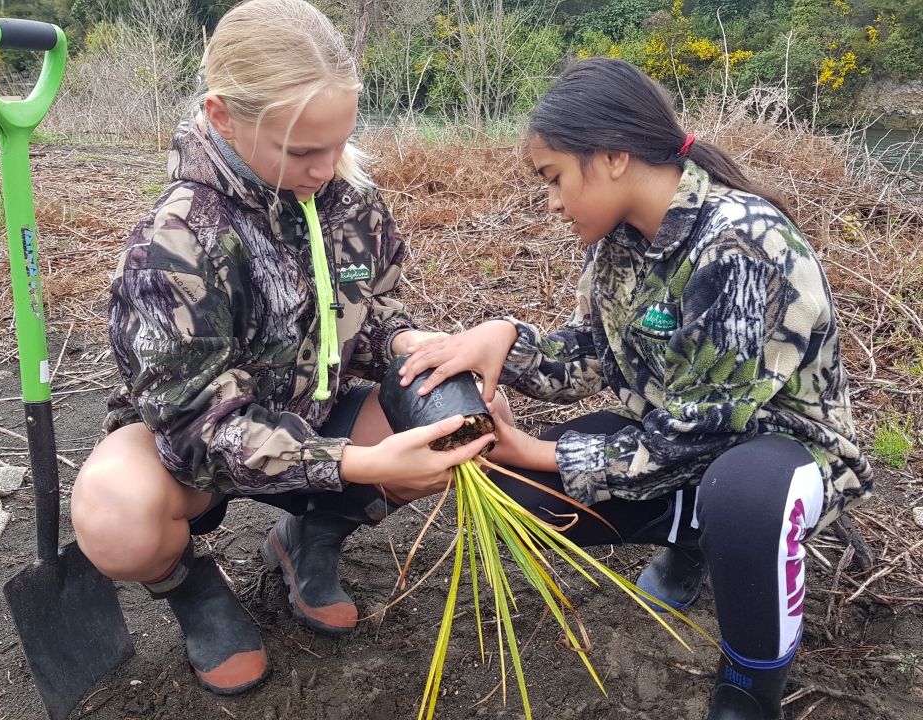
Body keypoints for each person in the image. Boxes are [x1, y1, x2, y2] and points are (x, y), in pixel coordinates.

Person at [398, 57, 873, 720]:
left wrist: (532, 447)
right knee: (520, 493)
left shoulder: (740, 242)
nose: (553, 202)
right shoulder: (619, 242)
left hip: (782, 454)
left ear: (614, 156)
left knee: (741, 495)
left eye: (554, 177)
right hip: (672, 441)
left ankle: (751, 680)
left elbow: (705, 432)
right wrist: (504, 341)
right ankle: (696, 537)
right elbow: (590, 357)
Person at [70, 0, 497, 697]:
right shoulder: (175, 241)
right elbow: (194, 430)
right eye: (302, 151)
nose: (327, 169)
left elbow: (374, 310)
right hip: (201, 455)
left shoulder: (350, 198)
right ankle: (192, 591)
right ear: (221, 116)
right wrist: (357, 461)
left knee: (461, 419)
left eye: (339, 144)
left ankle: (310, 541)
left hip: (317, 412)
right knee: (114, 514)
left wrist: (406, 339)